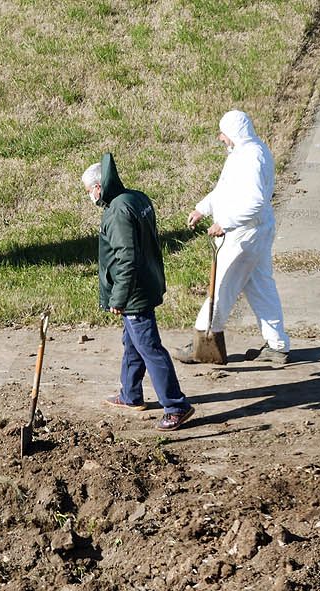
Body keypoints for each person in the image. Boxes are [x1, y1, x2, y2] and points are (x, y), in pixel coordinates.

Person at [83, 154, 195, 432]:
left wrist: (118, 297)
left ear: (99, 187)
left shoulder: (117, 212)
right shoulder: (136, 198)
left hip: (134, 292)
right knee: (132, 341)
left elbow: (126, 258)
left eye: (89, 191)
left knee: (149, 347)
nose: (89, 196)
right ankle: (130, 394)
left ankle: (176, 405)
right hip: (148, 280)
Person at [176, 110, 290, 365]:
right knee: (261, 287)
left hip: (243, 236)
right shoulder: (243, 153)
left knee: (221, 287)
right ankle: (277, 346)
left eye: (223, 133)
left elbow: (256, 203)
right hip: (253, 234)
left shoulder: (251, 158)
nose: (220, 138)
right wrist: (202, 208)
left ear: (235, 134)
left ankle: (202, 344)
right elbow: (224, 189)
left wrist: (224, 223)